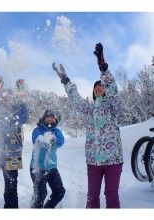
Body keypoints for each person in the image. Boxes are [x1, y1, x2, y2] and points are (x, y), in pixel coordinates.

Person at [52, 43, 123, 208]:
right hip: (93, 161)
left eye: (101, 86)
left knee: (112, 196)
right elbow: (76, 99)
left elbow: (113, 89)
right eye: (95, 87)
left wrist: (103, 68)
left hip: (113, 160)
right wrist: (66, 81)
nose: (98, 88)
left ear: (105, 90)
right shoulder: (90, 110)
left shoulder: (113, 107)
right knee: (92, 198)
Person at [0, 74, 29, 208]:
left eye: (9, 94)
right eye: (3, 94)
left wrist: (21, 99)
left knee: (11, 186)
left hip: (12, 152)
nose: (6, 96)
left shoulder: (17, 108)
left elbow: (24, 118)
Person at [30, 109, 66, 208]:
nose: (51, 119)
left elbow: (60, 142)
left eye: (53, 117)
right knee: (41, 194)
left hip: (51, 167)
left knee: (60, 192)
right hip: (37, 167)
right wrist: (50, 138)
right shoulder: (37, 130)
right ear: (44, 118)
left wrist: (52, 138)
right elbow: (38, 141)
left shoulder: (57, 131)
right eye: (48, 117)